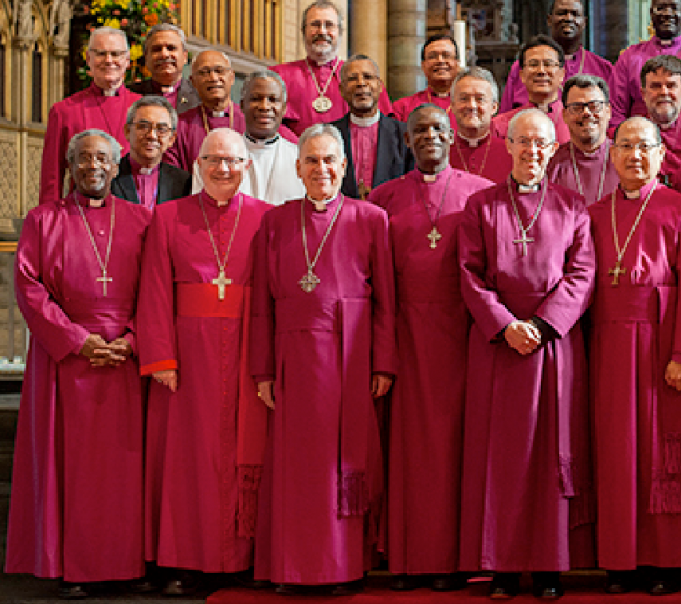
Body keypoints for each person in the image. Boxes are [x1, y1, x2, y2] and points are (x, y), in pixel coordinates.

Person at [249, 124, 396, 593]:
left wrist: (383, 363)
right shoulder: (274, 223)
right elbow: (261, 305)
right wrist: (263, 370)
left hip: (349, 358)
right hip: (292, 360)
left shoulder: (370, 219)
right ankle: (292, 568)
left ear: (344, 166)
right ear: (297, 169)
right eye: (311, 161)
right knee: (297, 468)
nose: (321, 169)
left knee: (343, 464)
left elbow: (386, 301)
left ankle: (342, 566)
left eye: (330, 160)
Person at [458, 109, 596, 599]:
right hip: (498, 345)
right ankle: (501, 567)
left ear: (553, 150)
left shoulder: (572, 205)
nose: (533, 151)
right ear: (509, 146)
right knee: (501, 458)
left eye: (542, 143)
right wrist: (505, 325)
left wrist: (541, 324)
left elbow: (582, 274)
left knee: (551, 455)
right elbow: (470, 273)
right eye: (524, 142)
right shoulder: (480, 205)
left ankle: (549, 567)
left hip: (553, 343)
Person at [7, 129, 151, 597]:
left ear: (116, 166)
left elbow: (156, 289)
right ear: (70, 165)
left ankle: (129, 564)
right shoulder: (43, 220)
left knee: (125, 471)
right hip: (65, 360)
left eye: (103, 158)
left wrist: (133, 338)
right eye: (84, 158)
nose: (94, 166)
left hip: (127, 360)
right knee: (70, 469)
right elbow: (29, 288)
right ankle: (72, 568)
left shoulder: (142, 220)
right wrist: (77, 340)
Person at [137, 128, 272, 595]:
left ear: (246, 166)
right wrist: (162, 357)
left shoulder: (266, 218)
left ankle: (241, 559)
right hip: (187, 356)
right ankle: (184, 560)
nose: (223, 169)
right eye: (213, 160)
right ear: (198, 166)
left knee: (242, 455)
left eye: (232, 161)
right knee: (186, 458)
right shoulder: (168, 216)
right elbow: (154, 288)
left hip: (246, 349)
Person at [370, 105, 492, 592]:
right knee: (410, 451)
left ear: (452, 135)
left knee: (458, 448)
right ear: (406, 140)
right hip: (407, 335)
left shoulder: (480, 193)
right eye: (419, 130)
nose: (429, 137)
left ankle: (457, 559)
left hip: (463, 335)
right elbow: (376, 282)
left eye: (438, 129)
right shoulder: (382, 198)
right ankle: (408, 558)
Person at [588, 116, 681, 595]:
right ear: (612, 155)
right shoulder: (594, 213)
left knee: (663, 451)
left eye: (644, 147)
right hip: (607, 345)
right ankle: (620, 561)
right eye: (625, 147)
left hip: (662, 346)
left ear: (661, 155)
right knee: (616, 452)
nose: (634, 156)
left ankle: (666, 560)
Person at [40, 27, 139, 204]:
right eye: (101, 54)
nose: (109, 60)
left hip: (134, 208)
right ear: (88, 58)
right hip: (81, 210)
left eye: (116, 54)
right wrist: (48, 216)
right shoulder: (65, 111)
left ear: (127, 60)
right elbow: (52, 177)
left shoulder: (144, 108)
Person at [272, 0, 393, 134]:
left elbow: (382, 128)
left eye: (329, 25)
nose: (322, 31)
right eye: (315, 25)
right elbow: (268, 123)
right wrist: (300, 145)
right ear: (303, 31)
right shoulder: (278, 76)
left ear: (340, 32)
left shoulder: (365, 79)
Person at [501, 0, 615, 111]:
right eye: (562, 13)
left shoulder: (604, 68)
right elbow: (505, 115)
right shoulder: (525, 67)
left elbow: (613, 114)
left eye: (575, 14)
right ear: (549, 20)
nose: (568, 18)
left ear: (584, 22)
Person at [329, 56, 410, 199]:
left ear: (380, 86)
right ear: (342, 90)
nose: (361, 83)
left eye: (368, 77)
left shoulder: (404, 134)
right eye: (352, 79)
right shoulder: (329, 135)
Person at [219, 71, 305, 205]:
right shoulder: (220, 157)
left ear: (284, 108)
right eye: (256, 99)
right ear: (242, 105)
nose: (265, 107)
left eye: (273, 99)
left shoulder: (301, 159)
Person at [547, 75, 620, 205]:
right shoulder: (551, 163)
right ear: (564, 115)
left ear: (608, 111)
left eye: (594, 106)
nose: (586, 113)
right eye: (577, 107)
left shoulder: (626, 158)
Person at [168, 50, 244, 170]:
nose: (213, 78)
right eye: (204, 72)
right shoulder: (180, 126)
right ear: (193, 82)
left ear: (232, 77)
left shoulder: (249, 120)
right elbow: (171, 173)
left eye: (219, 70)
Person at [112, 95, 191, 207]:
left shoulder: (183, 182)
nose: (151, 136)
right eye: (143, 126)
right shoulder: (109, 176)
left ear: (171, 139)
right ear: (127, 131)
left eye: (161, 129)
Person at [491, 35, 571, 143]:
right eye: (533, 64)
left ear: (562, 74)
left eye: (548, 64)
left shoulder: (576, 121)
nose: (541, 71)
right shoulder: (500, 125)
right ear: (522, 75)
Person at [447, 67, 512, 184]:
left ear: (494, 107)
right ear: (453, 106)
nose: (472, 106)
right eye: (464, 99)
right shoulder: (441, 153)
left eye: (480, 99)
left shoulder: (511, 153)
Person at [129, 23, 197, 114]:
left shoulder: (201, 95)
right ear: (146, 57)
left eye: (171, 48)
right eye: (157, 49)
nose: (164, 54)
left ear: (184, 56)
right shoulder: (130, 95)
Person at [390, 35, 459, 120]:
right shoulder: (402, 108)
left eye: (446, 55)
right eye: (432, 56)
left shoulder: (470, 105)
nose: (440, 61)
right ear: (423, 65)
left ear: (457, 64)